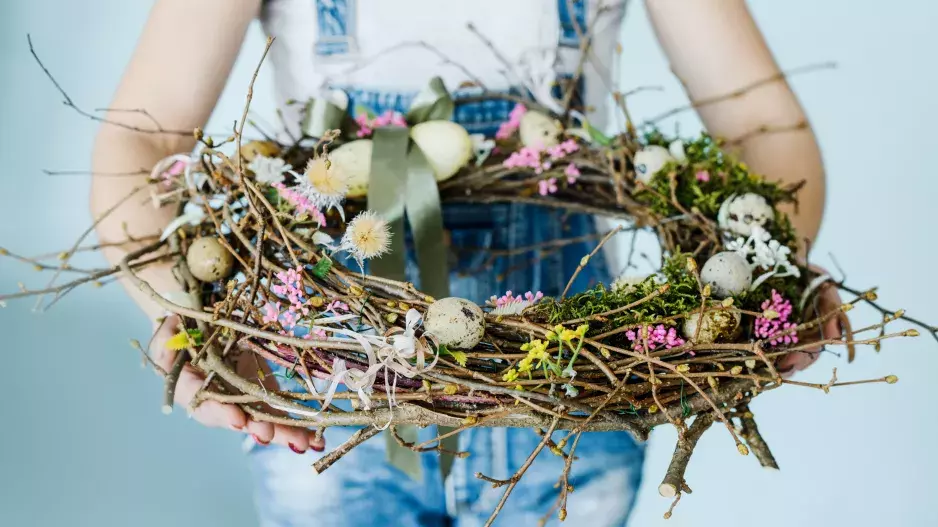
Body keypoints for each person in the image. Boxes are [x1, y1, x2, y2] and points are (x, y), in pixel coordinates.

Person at [90, 1, 841, 525]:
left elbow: (761, 129)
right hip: (332, 402)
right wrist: (184, 313)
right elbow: (140, 143)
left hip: (578, 395)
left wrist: (767, 280)